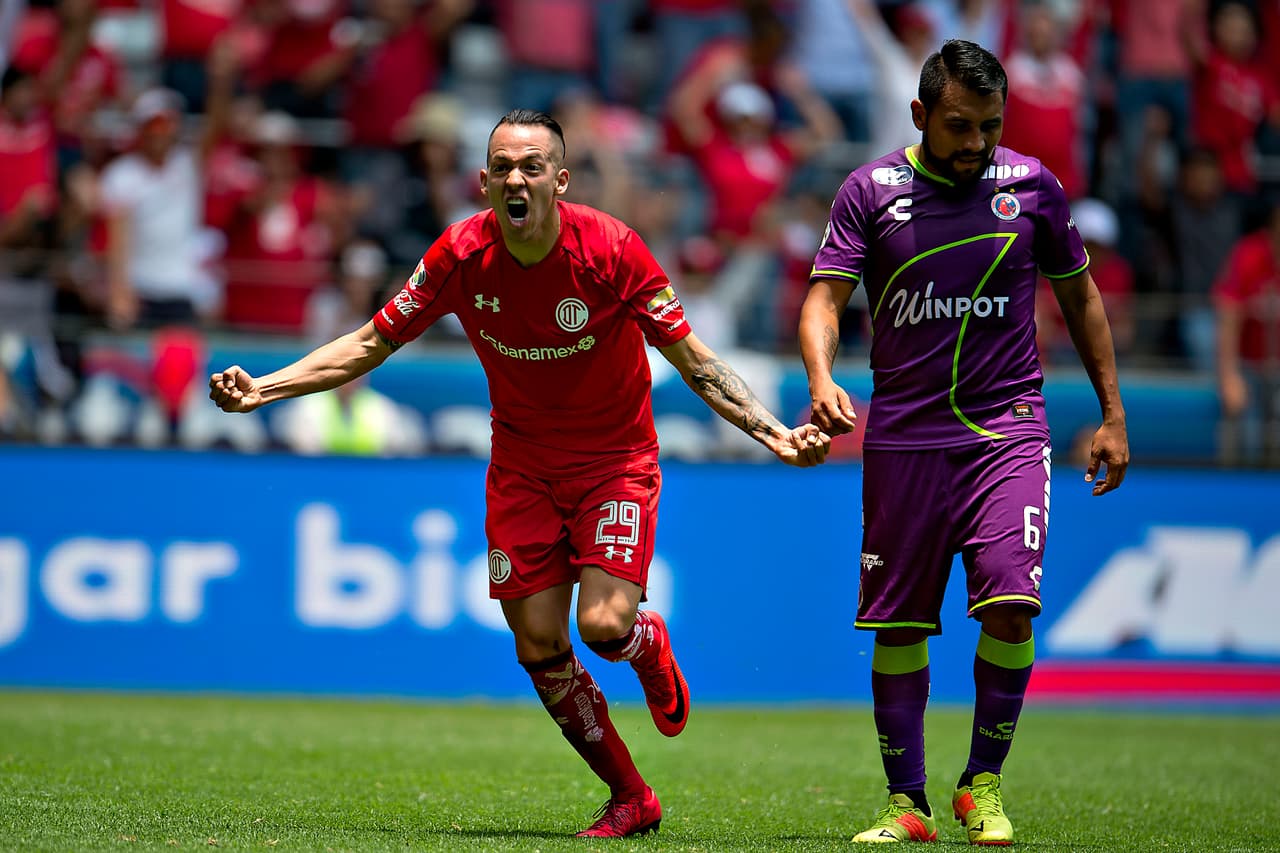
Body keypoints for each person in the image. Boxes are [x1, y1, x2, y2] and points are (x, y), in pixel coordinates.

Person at [210, 109, 830, 838]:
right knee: (538, 644)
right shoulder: (460, 253)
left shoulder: (611, 249)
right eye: (503, 165)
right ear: (483, 181)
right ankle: (631, 795)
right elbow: (372, 342)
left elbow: (696, 362)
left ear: (560, 180)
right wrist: (267, 388)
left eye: (532, 165)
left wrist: (774, 434)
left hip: (614, 462)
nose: (516, 177)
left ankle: (643, 643)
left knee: (602, 626)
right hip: (522, 467)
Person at [798, 41, 1129, 845]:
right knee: (901, 624)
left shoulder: (1032, 187)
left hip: (1005, 431)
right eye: (958, 126)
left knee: (1013, 607)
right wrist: (820, 375)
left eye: (989, 125)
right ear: (919, 116)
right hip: (905, 440)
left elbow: (1080, 296)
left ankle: (981, 783)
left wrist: (1112, 413)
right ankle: (906, 803)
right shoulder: (870, 192)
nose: (976, 143)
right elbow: (823, 300)